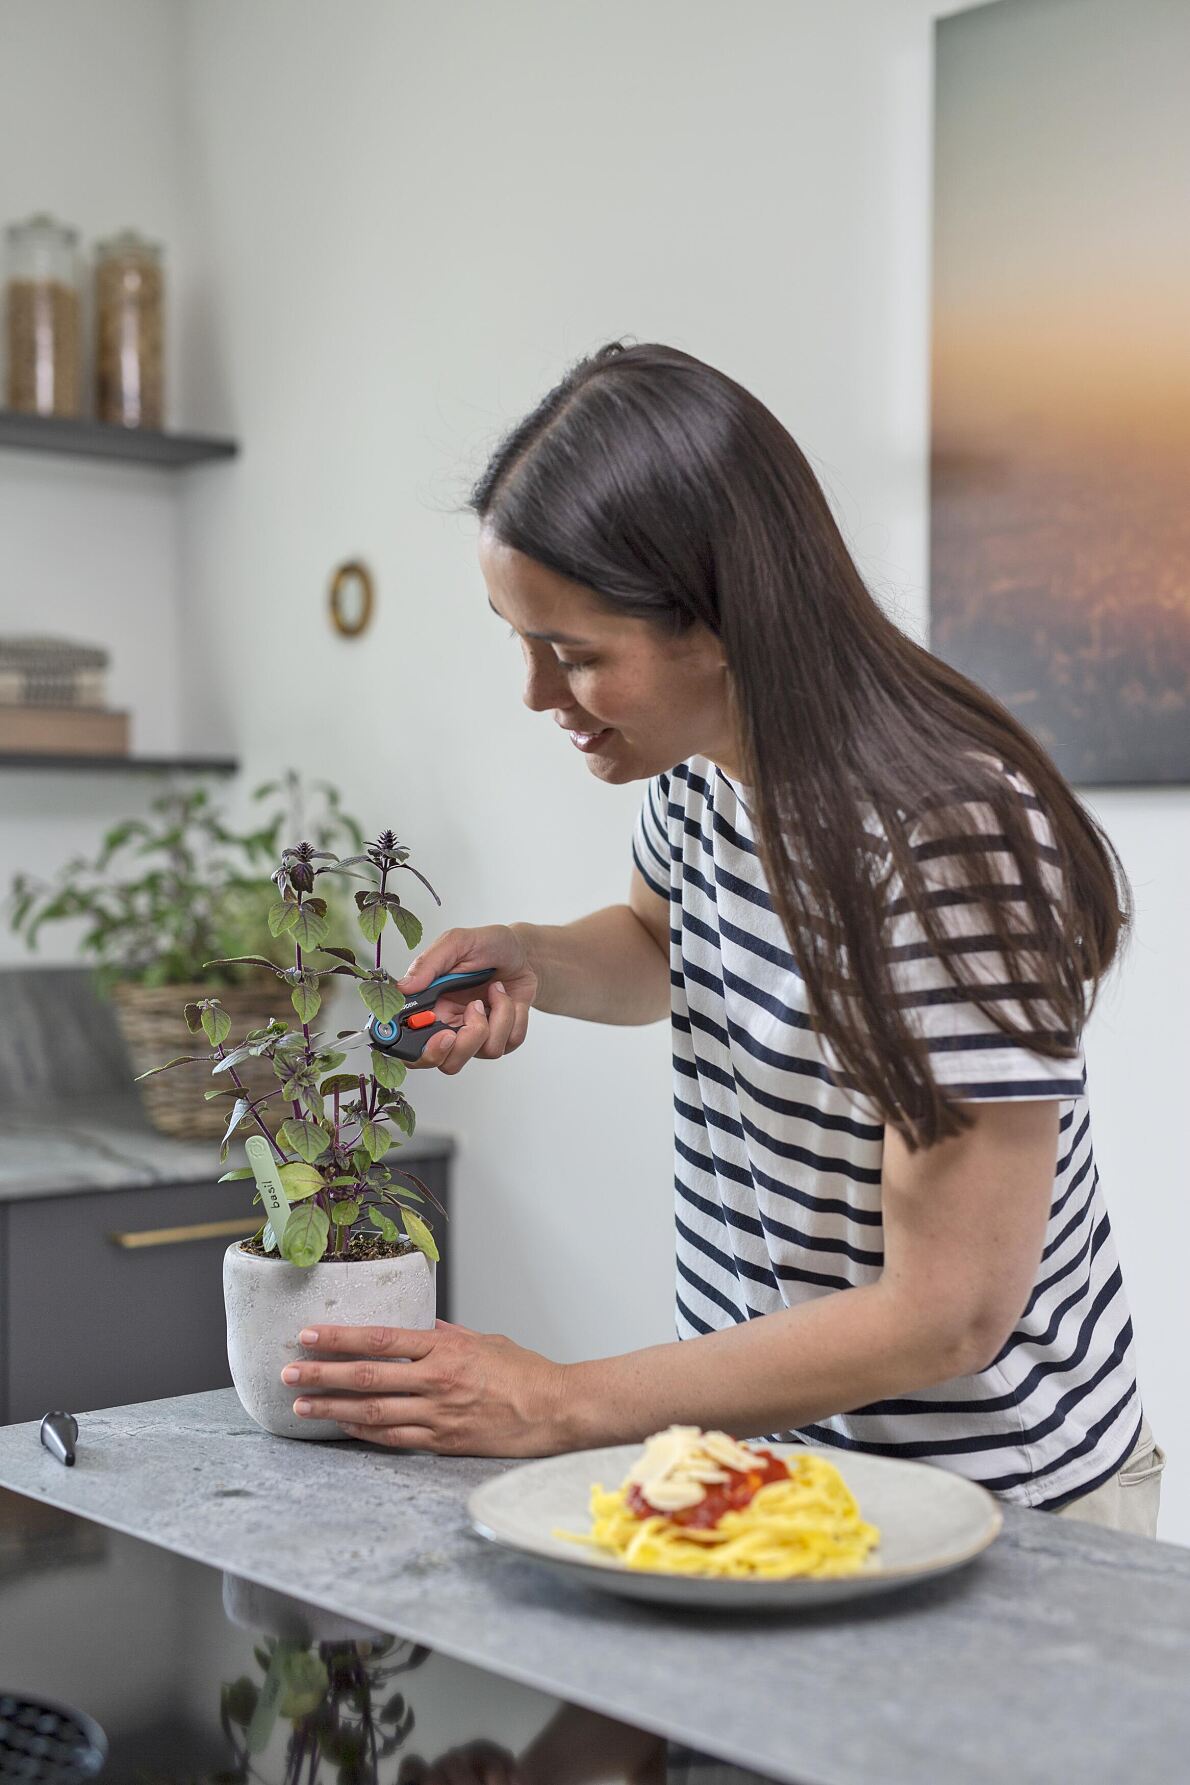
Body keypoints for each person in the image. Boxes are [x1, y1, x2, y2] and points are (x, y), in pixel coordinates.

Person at [283, 341, 1163, 1534]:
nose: (538, 696)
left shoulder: (947, 843)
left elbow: (947, 1311)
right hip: (780, 1473)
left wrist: (555, 1402)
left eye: (576, 654)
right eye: (521, 638)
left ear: (715, 622)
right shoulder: (705, 776)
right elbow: (658, 943)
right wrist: (536, 955)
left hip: (993, 1513)